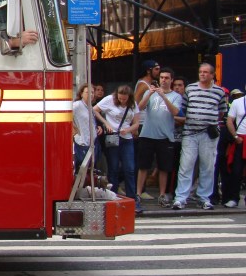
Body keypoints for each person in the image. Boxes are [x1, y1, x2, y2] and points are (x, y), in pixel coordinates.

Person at [171, 62, 227, 210]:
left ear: (212, 75)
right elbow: (183, 109)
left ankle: (204, 198)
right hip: (190, 133)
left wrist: (208, 120)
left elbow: (221, 112)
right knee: (186, 166)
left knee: (207, 167)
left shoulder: (219, 92)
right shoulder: (190, 89)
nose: (202, 74)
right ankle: (180, 198)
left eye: (206, 72)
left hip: (208, 134)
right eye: (201, 71)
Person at [135, 66, 180, 208]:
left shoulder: (176, 96)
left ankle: (161, 194)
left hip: (165, 137)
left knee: (163, 167)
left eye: (167, 78)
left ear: (171, 80)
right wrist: (149, 93)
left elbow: (175, 112)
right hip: (147, 134)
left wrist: (164, 96)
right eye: (161, 77)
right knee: (143, 166)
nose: (164, 80)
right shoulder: (150, 92)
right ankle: (138, 193)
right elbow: (140, 107)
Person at [94, 84, 140, 211]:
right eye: (120, 98)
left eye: (125, 99)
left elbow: (136, 123)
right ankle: (113, 197)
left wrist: (128, 130)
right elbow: (94, 110)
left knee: (129, 169)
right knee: (113, 168)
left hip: (127, 138)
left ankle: (132, 199)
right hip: (113, 136)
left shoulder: (133, 104)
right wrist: (105, 123)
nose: (122, 101)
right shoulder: (109, 99)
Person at [73, 84, 101, 175]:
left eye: (92, 92)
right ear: (81, 93)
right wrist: (74, 128)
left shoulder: (90, 107)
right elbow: (65, 115)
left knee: (91, 170)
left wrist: (98, 127)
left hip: (92, 142)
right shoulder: (77, 105)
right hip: (82, 142)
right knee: (82, 170)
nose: (91, 94)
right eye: (88, 92)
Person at [225, 88, 246, 208]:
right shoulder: (238, 102)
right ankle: (234, 198)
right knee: (236, 170)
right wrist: (235, 136)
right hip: (240, 138)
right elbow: (229, 120)